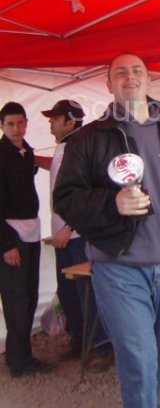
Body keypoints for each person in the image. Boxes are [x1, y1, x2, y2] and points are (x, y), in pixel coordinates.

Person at [53, 53, 160, 408]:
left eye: (137, 70)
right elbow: (64, 199)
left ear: (149, 79)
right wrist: (112, 202)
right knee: (139, 360)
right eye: (120, 72)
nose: (130, 76)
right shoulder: (88, 139)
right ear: (108, 83)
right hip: (118, 266)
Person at [36, 99, 113, 372]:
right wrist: (31, 158)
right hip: (63, 234)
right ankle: (80, 341)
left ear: (70, 122)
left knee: (86, 292)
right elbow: (57, 167)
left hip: (77, 235)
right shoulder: (65, 146)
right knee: (68, 291)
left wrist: (69, 228)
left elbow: (86, 192)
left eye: (55, 118)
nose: (50, 123)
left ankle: (102, 347)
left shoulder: (81, 147)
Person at [0, 101, 54, 377]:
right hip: (12, 235)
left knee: (29, 296)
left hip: (31, 231)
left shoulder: (26, 151)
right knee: (16, 299)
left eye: (20, 123)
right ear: (2, 126)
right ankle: (20, 363)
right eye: (11, 124)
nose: (16, 128)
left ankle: (18, 356)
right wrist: (6, 244)